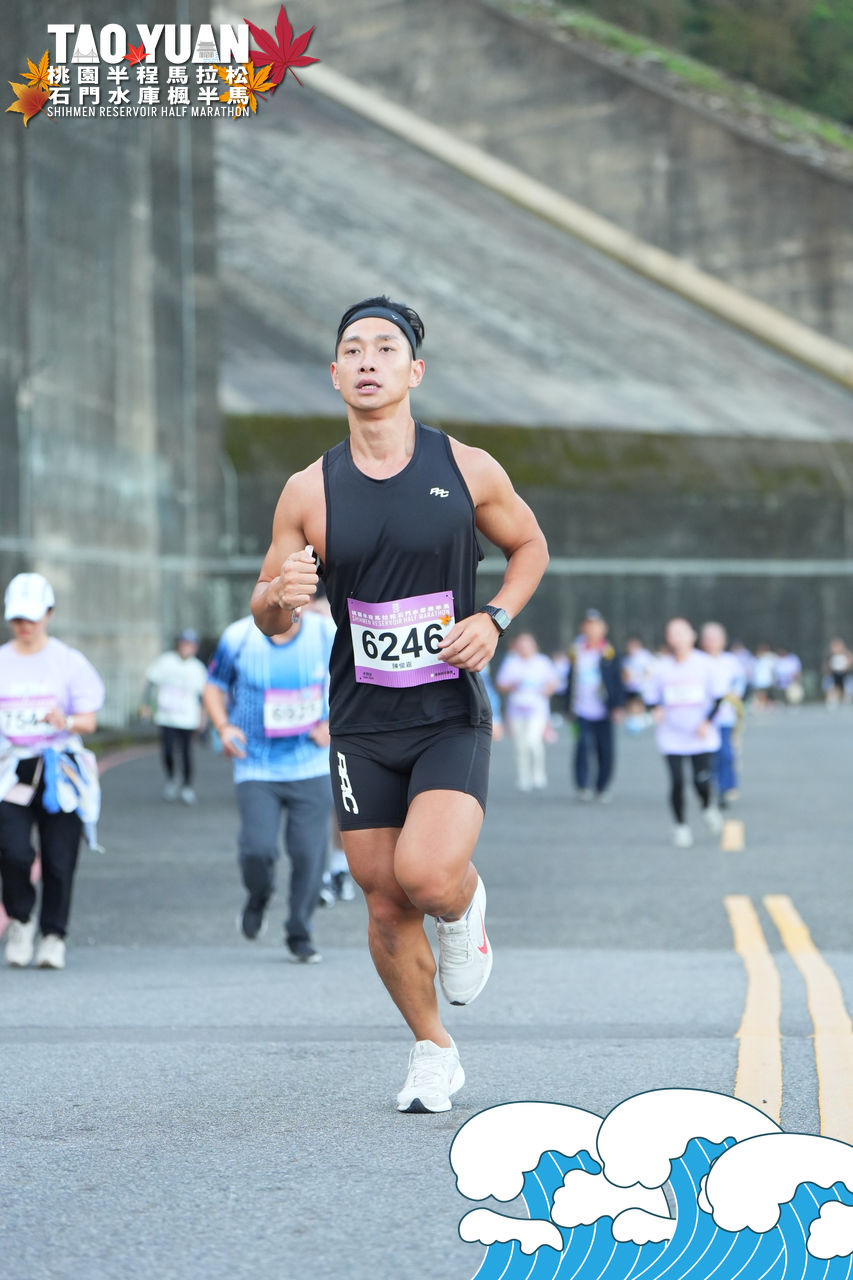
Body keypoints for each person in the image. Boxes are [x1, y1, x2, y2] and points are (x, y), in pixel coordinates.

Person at [250, 294, 548, 1113]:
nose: (368, 361)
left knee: (425, 875)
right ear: (334, 373)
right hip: (361, 719)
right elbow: (269, 615)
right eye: (354, 349)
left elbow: (528, 544)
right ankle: (431, 1050)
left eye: (385, 348)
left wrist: (494, 617)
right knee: (382, 895)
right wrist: (280, 594)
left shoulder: (466, 468)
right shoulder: (307, 491)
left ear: (414, 371)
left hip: (447, 710)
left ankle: (463, 905)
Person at [203, 607, 334, 964]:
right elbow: (213, 687)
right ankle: (258, 896)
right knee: (257, 850)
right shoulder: (239, 637)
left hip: (311, 763)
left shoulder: (326, 633)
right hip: (256, 764)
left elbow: (356, 679)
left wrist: (333, 722)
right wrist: (223, 727)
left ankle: (299, 931)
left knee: (309, 855)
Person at [0, 573, 104, 970]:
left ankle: (53, 935)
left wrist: (67, 721)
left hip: (60, 770)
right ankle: (21, 919)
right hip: (12, 770)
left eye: (31, 617)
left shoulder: (68, 661)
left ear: (48, 613)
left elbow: (90, 720)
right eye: (17, 618)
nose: (24, 625)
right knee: (13, 851)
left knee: (60, 859)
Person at [645, 618, 727, 848]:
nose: (678, 639)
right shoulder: (660, 668)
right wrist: (655, 709)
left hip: (699, 734)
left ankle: (707, 806)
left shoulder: (706, 665)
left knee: (701, 782)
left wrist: (706, 722)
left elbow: (719, 697)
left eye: (682, 633)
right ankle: (680, 827)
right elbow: (650, 697)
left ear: (692, 636)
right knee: (677, 781)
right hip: (671, 735)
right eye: (672, 634)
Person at [563, 609, 625, 802]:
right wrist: (567, 707)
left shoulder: (610, 653)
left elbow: (617, 681)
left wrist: (618, 706)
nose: (592, 630)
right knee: (582, 746)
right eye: (589, 626)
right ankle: (583, 786)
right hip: (581, 710)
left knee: (605, 750)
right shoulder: (576, 651)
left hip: (604, 711)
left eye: (596, 626)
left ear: (603, 629)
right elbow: (568, 680)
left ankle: (602, 787)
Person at [141, 628, 208, 804]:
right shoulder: (166, 661)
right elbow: (151, 683)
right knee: (168, 750)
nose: (187, 648)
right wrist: (145, 704)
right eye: (184, 644)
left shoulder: (197, 668)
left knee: (186, 752)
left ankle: (187, 785)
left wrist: (203, 718)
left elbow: (203, 696)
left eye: (190, 645)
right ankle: (172, 778)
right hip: (166, 717)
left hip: (188, 718)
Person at [496, 633, 558, 790]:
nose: (524, 648)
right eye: (521, 645)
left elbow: (553, 682)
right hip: (516, 710)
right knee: (520, 745)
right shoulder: (511, 662)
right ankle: (523, 777)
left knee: (532, 741)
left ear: (534, 646)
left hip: (537, 709)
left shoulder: (542, 662)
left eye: (527, 645)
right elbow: (501, 684)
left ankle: (538, 773)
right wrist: (512, 685)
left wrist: (546, 690)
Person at [699, 622, 745, 806]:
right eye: (708, 639)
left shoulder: (730, 661)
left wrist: (736, 695)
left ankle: (726, 787)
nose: (711, 642)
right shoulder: (698, 661)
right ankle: (710, 786)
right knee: (709, 755)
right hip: (704, 718)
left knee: (726, 753)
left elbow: (740, 682)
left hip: (725, 716)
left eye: (715, 638)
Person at [824, 638, 852, 709]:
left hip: (845, 676)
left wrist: (847, 665)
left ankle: (845, 700)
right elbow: (826, 669)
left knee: (848, 686)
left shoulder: (847, 655)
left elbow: (850, 666)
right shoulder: (830, 657)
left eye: (838, 646)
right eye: (835, 646)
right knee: (829, 684)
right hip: (834, 677)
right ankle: (833, 701)